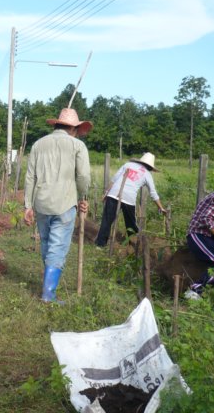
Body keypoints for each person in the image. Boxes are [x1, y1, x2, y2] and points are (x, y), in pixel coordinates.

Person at [23, 108, 92, 303]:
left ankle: (48, 287)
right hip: (65, 203)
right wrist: (83, 196)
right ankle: (48, 295)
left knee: (46, 243)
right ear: (74, 129)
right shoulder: (78, 146)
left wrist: (27, 205)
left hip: (41, 203)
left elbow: (30, 177)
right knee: (58, 247)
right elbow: (83, 176)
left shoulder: (38, 144)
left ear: (57, 125)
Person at [94, 152, 167, 247]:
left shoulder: (128, 165)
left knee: (107, 220)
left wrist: (106, 193)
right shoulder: (147, 174)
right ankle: (134, 245)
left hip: (113, 194)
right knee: (131, 224)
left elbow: (114, 179)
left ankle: (100, 244)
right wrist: (161, 208)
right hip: (128, 198)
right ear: (150, 167)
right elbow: (153, 193)